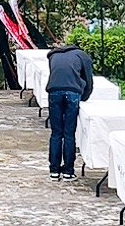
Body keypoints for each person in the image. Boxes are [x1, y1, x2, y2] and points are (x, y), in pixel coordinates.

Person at [45, 42, 94, 181]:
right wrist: (83, 97)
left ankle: (54, 171)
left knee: (56, 133)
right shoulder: (82, 56)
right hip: (72, 93)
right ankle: (68, 171)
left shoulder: (53, 56)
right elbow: (88, 81)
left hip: (54, 92)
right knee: (69, 133)